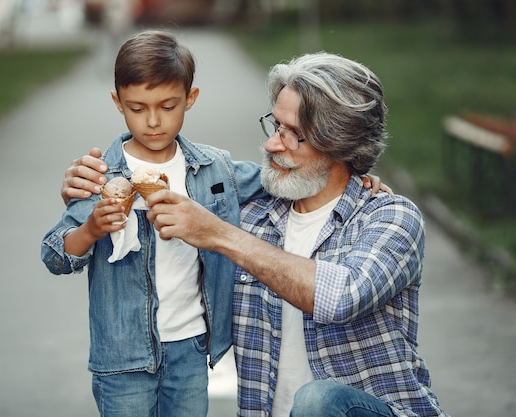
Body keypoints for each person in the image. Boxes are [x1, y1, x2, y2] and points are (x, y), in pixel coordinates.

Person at [144, 52, 449, 417]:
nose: (273, 145)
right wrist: (92, 186)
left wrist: (220, 234)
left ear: (341, 144)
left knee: (316, 402)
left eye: (295, 136)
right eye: (275, 127)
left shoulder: (390, 217)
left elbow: (340, 298)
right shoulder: (253, 218)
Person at [41, 29, 266, 417]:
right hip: (123, 353)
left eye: (167, 105)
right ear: (118, 103)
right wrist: (92, 229)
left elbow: (278, 182)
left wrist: (353, 174)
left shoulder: (214, 169)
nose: (153, 121)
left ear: (190, 99)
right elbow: (56, 256)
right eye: (138, 108)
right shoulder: (100, 175)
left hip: (191, 346)